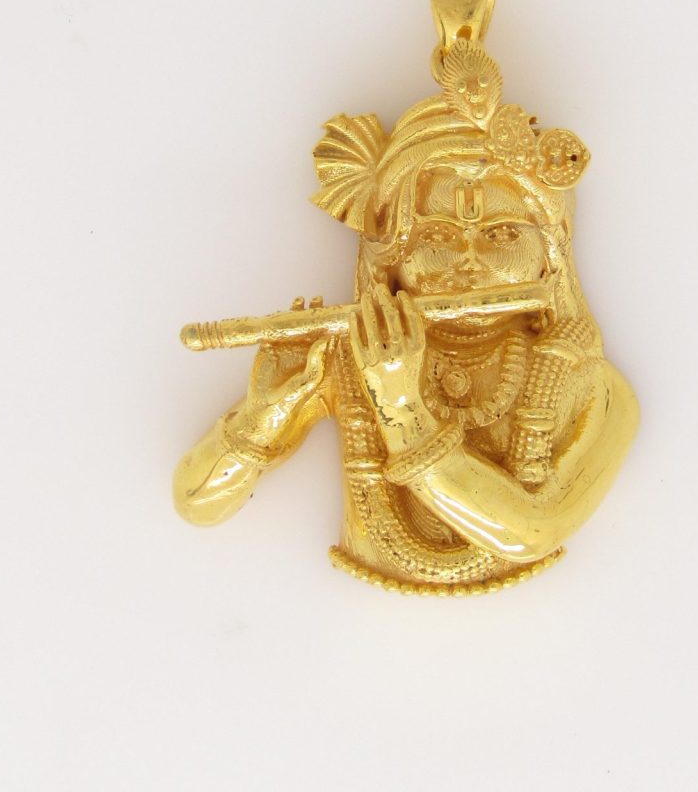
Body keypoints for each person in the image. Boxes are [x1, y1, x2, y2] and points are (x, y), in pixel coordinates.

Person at [173, 39, 638, 593]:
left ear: (550, 255)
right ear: (390, 258)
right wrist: (266, 411)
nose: (469, 262)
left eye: (503, 235)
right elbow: (196, 503)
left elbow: (530, 533)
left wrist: (401, 407)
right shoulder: (358, 354)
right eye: (437, 236)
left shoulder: (593, 388)